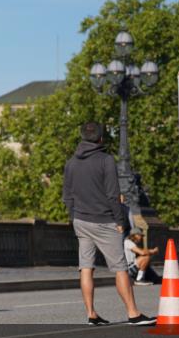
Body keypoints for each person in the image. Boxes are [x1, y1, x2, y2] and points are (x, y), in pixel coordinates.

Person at [62, 121, 156, 326]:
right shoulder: (106, 160)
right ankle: (133, 313)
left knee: (86, 268)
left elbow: (67, 196)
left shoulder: (71, 163)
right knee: (120, 268)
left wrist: (74, 217)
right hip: (105, 221)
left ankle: (91, 314)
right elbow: (114, 195)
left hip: (81, 221)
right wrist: (120, 220)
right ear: (101, 138)